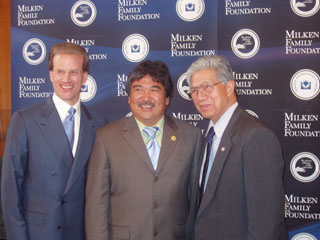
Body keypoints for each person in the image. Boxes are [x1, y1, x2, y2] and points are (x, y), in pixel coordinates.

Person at [85, 60, 203, 240]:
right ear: (129, 98)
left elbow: (195, 200)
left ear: (167, 98)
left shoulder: (191, 136)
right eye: (138, 90)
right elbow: (96, 205)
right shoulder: (106, 138)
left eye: (154, 90)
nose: (146, 97)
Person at [1, 42, 106, 240]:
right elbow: (11, 189)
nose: (66, 79)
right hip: (38, 234)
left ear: (84, 77)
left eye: (74, 72)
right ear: (51, 74)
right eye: (60, 71)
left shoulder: (99, 123)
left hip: (81, 233)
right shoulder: (25, 120)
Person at [186, 55, 287, 240]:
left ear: (229, 87)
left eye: (207, 87)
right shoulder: (204, 138)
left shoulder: (256, 136)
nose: (200, 97)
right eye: (194, 90)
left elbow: (266, 223)